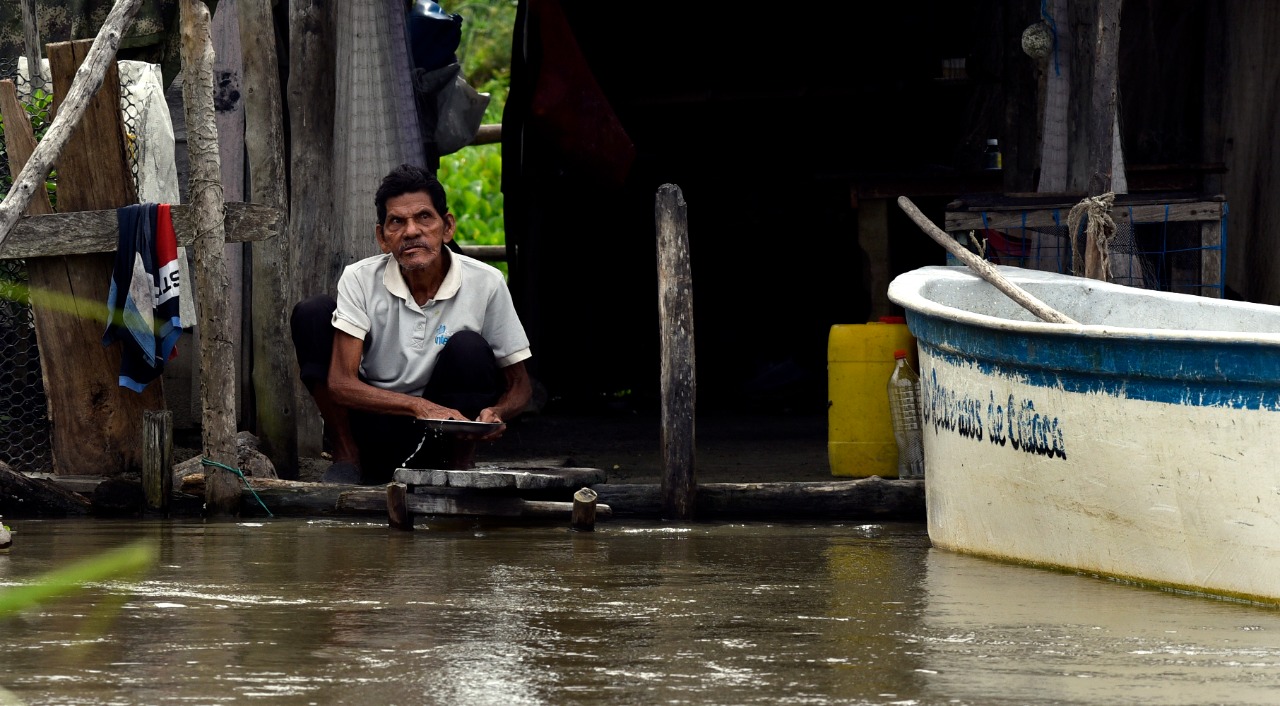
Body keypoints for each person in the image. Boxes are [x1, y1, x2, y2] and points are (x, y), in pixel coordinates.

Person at [290, 163, 532, 484]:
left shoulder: (485, 282)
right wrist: (417, 406)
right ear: (382, 237)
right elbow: (340, 382)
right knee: (312, 313)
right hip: (374, 426)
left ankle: (457, 467)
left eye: (423, 217)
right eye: (397, 222)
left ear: (447, 227)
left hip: (444, 432)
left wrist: (498, 413)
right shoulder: (360, 279)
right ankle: (347, 456)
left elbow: (520, 384)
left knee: (469, 348)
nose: (411, 231)